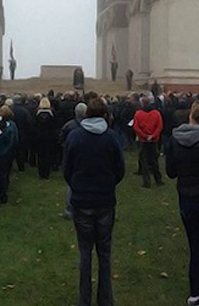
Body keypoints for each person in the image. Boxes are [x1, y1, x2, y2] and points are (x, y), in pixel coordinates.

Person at [63, 97, 126, 306]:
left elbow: (67, 170)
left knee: (85, 253)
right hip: (105, 201)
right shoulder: (112, 138)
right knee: (105, 253)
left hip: (81, 201)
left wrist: (78, 185)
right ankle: (106, 300)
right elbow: (120, 170)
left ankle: (85, 300)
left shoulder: (74, 137)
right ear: (106, 114)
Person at [165, 103, 199, 306]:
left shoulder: (174, 139)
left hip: (186, 196)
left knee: (194, 244)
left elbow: (171, 172)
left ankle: (196, 290)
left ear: (191, 118)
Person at [134, 96, 164, 188]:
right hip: (153, 140)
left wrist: (144, 136)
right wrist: (153, 136)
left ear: (142, 103)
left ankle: (146, 181)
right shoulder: (156, 113)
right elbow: (160, 126)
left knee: (144, 161)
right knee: (154, 160)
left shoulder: (138, 113)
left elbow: (136, 127)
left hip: (143, 140)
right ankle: (158, 179)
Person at [33, 97, 59, 179]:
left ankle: (41, 173)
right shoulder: (52, 113)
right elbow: (55, 126)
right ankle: (47, 173)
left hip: (39, 137)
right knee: (48, 155)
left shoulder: (36, 113)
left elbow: (34, 125)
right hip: (49, 138)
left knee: (40, 156)